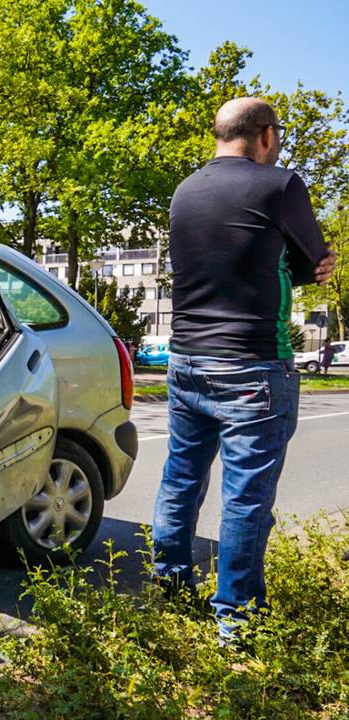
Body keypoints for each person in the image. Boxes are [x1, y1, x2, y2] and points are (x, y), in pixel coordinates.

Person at [152, 97, 336, 643]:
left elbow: (229, 263)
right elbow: (313, 256)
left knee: (180, 479)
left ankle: (170, 588)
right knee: (246, 496)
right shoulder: (280, 185)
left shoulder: (185, 191)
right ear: (265, 135)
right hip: (252, 363)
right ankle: (236, 621)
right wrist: (311, 266)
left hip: (186, 361)